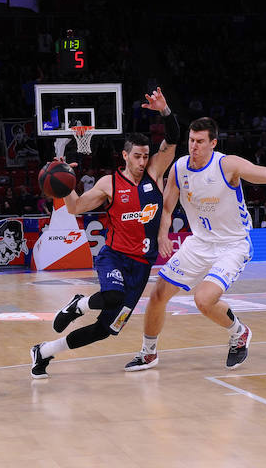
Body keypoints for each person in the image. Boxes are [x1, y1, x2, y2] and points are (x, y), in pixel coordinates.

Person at [131, 116, 266, 371]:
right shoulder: (180, 167)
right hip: (199, 243)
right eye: (191, 140)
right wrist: (163, 234)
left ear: (213, 143)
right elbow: (167, 207)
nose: (193, 146)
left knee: (204, 299)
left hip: (232, 244)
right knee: (158, 294)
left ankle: (238, 332)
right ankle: (149, 352)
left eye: (199, 141)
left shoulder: (227, 165)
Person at [30, 88, 179, 378]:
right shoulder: (109, 183)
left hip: (141, 264)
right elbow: (76, 208)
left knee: (105, 329)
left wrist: (165, 111)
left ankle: (44, 352)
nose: (141, 161)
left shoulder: (153, 174)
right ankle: (79, 304)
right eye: (136, 156)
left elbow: (172, 139)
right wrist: (67, 185)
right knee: (112, 295)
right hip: (115, 256)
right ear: (125, 155)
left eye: (145, 156)